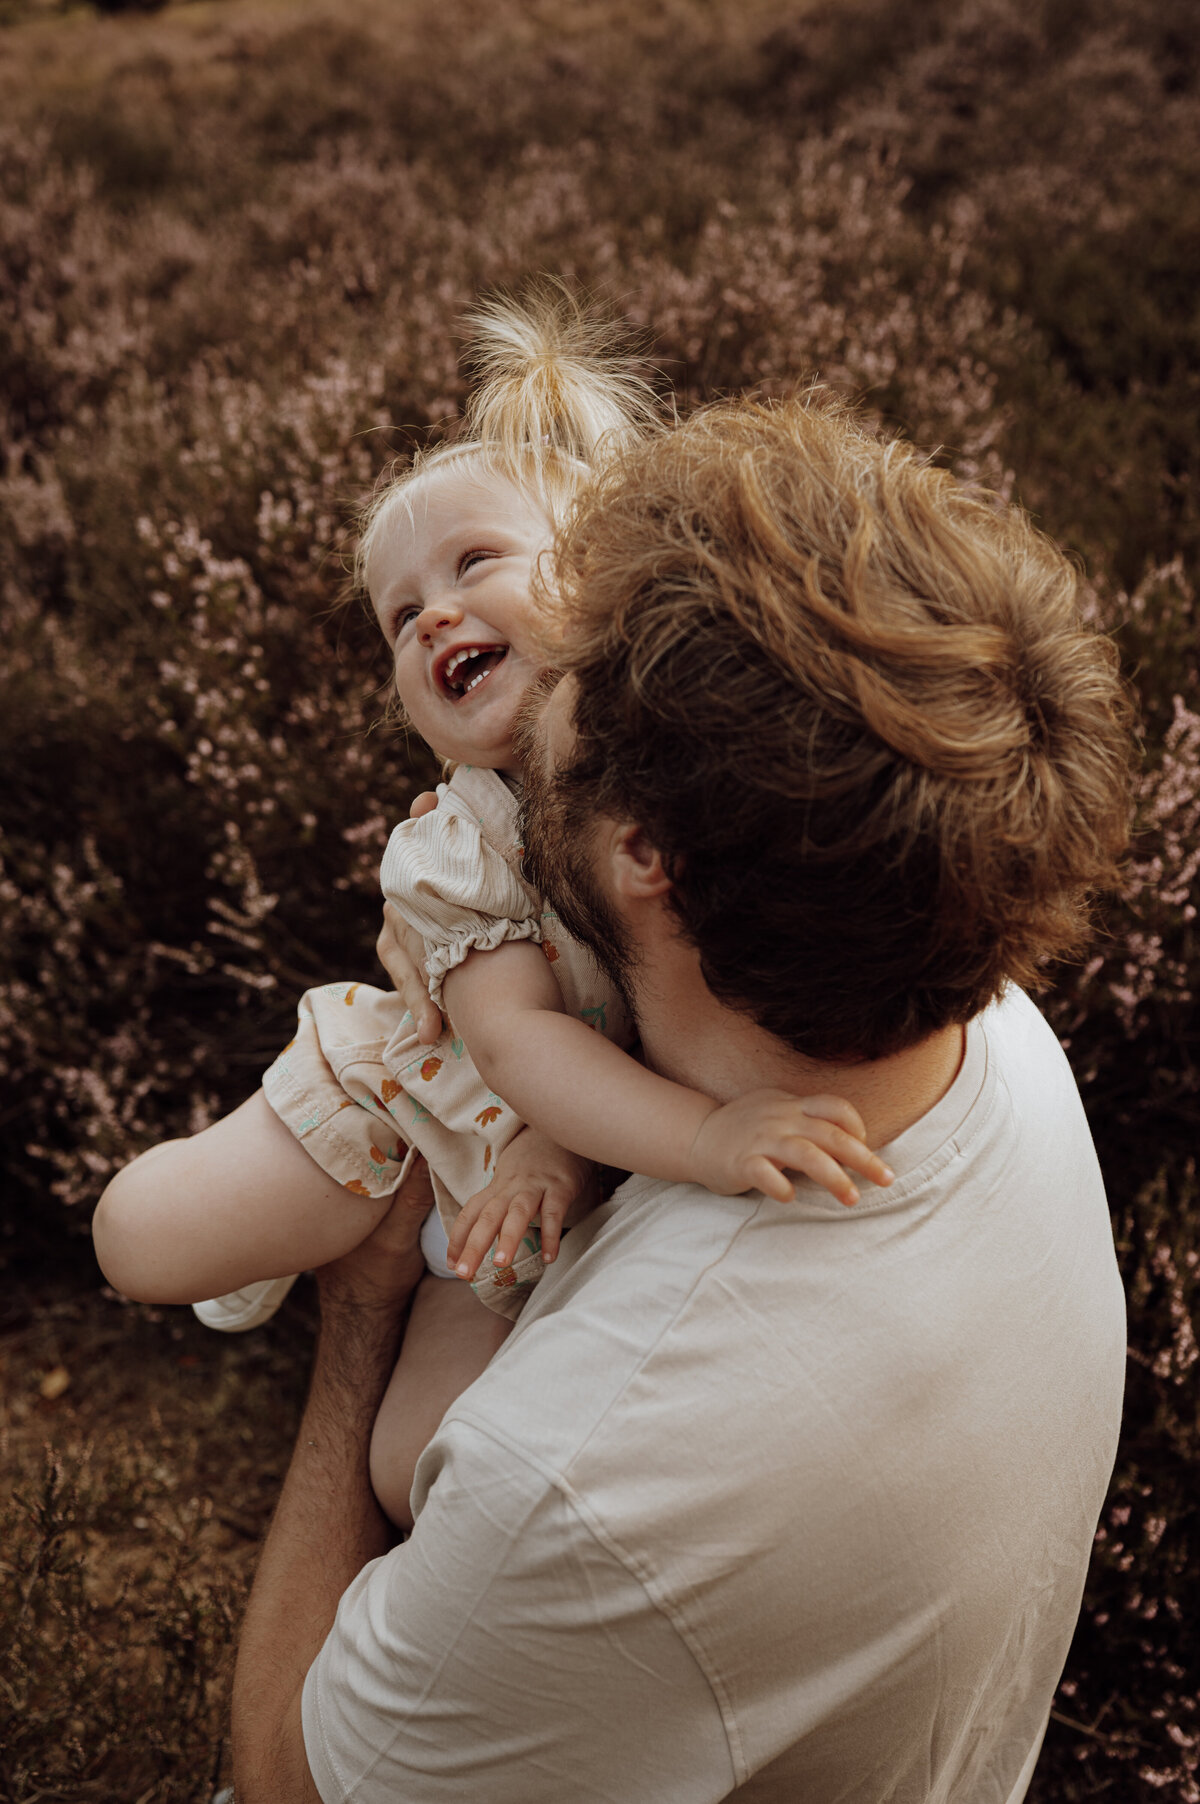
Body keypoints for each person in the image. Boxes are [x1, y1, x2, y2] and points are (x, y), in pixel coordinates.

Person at [227, 388, 1132, 1802]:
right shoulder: (982, 1023)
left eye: (581, 665)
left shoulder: (573, 1483)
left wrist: (359, 1314)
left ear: (642, 852)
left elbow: (288, 1778)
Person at [91, 291, 885, 1531]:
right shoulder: (455, 848)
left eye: (472, 564)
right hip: (418, 1105)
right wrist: (706, 1139)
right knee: (136, 1237)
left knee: (411, 1473)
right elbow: (514, 1041)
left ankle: (406, 1280)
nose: (433, 616)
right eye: (400, 616)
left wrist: (561, 1155)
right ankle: (330, 1219)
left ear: (595, 577)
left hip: (537, 1176)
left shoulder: (677, 763)